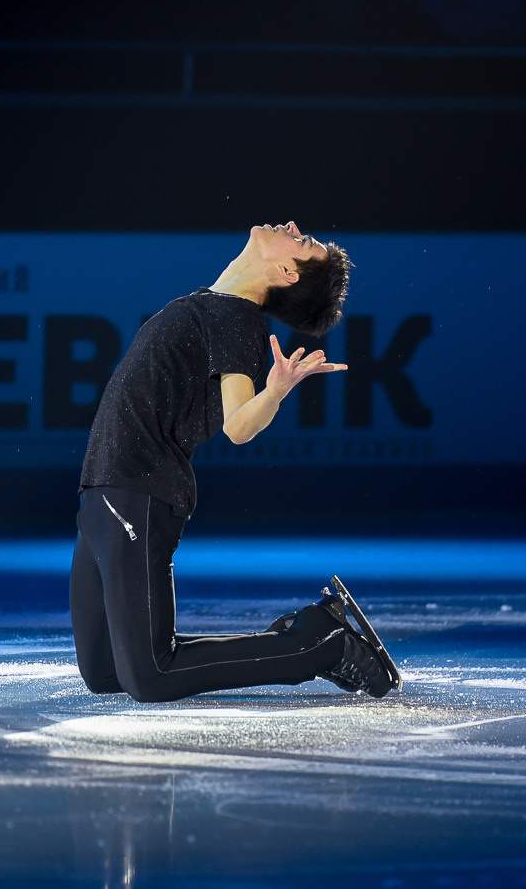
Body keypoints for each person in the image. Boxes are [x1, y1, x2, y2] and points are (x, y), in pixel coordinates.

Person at [69, 221, 394, 703]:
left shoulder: (238, 319)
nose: (292, 227)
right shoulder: (215, 304)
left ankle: (318, 643)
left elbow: (238, 426)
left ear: (286, 271)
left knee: (150, 676)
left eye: (302, 241)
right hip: (102, 492)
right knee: (106, 672)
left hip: (138, 492)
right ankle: (295, 639)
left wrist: (276, 391)